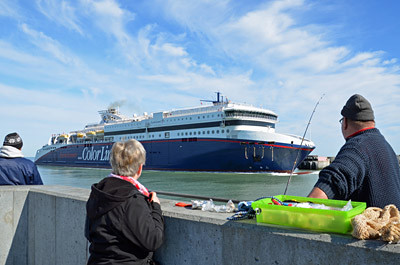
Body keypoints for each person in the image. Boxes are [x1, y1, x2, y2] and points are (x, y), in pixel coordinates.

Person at [308, 94, 400, 208]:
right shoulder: (387, 147)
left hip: (368, 225)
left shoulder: (355, 147)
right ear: (372, 121)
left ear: (345, 122)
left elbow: (329, 184)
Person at [85, 139, 164, 265]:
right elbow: (153, 240)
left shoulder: (98, 192)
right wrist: (156, 207)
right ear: (139, 168)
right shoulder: (132, 200)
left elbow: (89, 234)